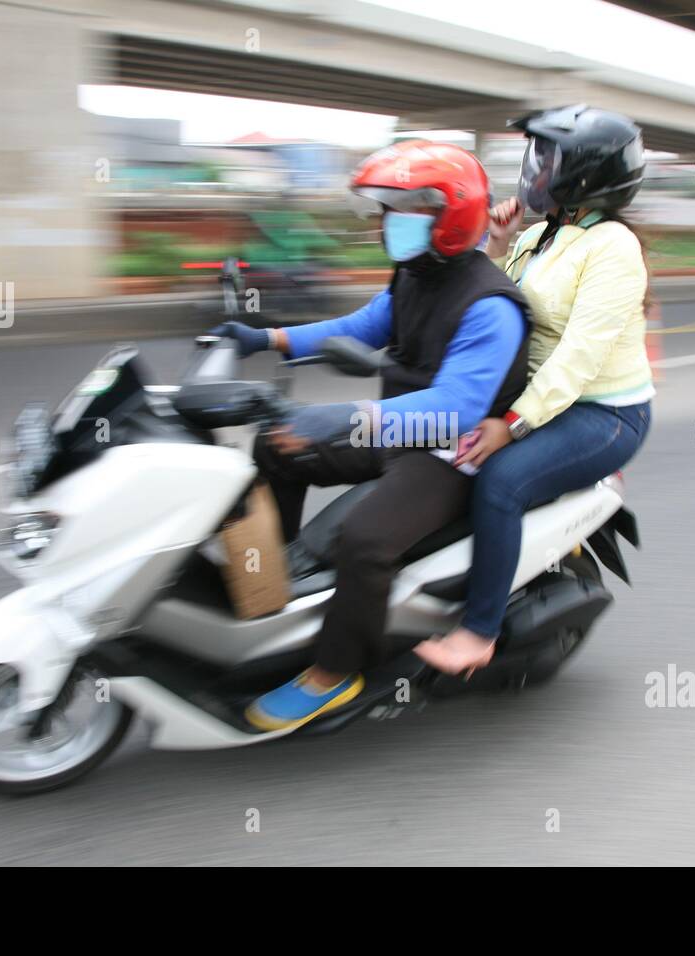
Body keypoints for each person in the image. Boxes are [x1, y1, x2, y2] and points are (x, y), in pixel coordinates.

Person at [211, 140, 530, 730]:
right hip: (396, 428)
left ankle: (334, 673)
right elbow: (361, 327)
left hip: (451, 453)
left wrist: (341, 418)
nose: (388, 222)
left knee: (364, 538)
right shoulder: (418, 273)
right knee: (275, 446)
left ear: (449, 215)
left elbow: (456, 408)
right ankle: (268, 589)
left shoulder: (491, 306)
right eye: (385, 209)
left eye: (402, 209)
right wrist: (266, 339)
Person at [413, 105, 654, 675]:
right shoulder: (543, 236)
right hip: (536, 396)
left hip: (602, 414)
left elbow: (578, 359)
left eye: (549, 159)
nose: (536, 169)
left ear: (586, 175)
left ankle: (478, 632)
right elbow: (495, 297)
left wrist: (512, 424)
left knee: (500, 481)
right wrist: (496, 242)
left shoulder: (612, 248)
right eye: (537, 157)